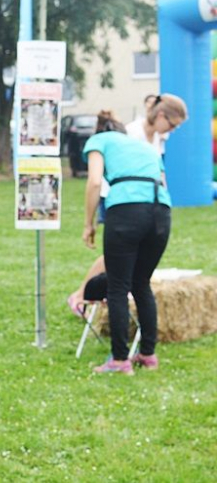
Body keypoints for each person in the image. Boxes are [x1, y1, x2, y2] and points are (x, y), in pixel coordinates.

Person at [82, 106, 186, 375]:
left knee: (117, 286)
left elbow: (94, 182)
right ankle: (148, 355)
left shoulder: (99, 141)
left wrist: (88, 224)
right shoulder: (146, 148)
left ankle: (119, 360)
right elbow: (163, 182)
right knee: (142, 283)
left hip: (127, 210)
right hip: (161, 212)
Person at [66, 95, 187, 317]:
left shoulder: (158, 138)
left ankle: (96, 297)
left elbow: (157, 172)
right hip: (117, 198)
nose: (171, 130)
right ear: (161, 115)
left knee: (128, 256)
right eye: (171, 124)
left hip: (147, 202)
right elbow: (106, 168)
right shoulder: (131, 132)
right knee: (114, 256)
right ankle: (81, 295)